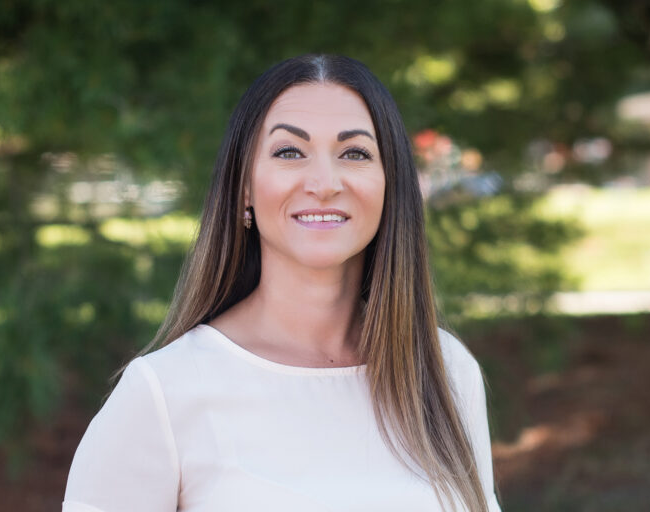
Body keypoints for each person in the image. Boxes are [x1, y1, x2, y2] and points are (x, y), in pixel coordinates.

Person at [63, 53, 502, 512]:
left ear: (390, 185)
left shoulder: (444, 370)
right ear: (245, 189)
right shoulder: (163, 393)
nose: (324, 182)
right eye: (289, 152)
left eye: (354, 153)